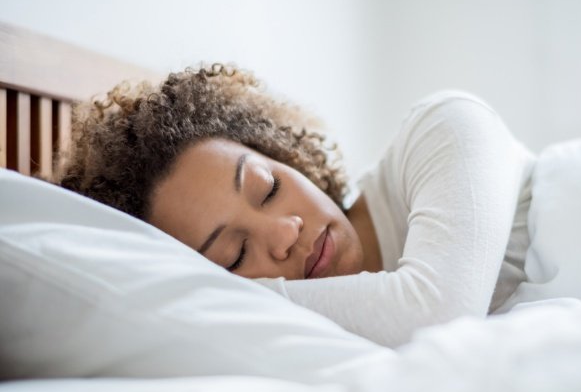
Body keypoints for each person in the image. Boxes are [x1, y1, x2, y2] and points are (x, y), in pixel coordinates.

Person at [56, 63, 536, 347]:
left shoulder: (443, 127)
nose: (285, 232)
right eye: (235, 256)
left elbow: (437, 314)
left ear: (285, 156)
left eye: (268, 188)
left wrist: (228, 296)